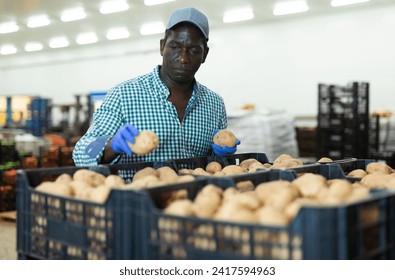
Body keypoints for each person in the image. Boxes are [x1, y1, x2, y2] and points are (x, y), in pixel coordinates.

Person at [72, 7, 240, 167]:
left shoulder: (214, 104)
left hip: (194, 195)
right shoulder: (124, 95)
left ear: (205, 54)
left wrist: (222, 155)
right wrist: (111, 146)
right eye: (175, 47)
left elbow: (217, 167)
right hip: (137, 195)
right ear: (162, 46)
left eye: (194, 50)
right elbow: (81, 153)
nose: (183, 58)